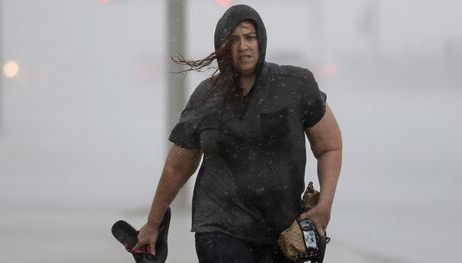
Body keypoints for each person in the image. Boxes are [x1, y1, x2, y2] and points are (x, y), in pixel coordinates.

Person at [134, 4, 342, 263]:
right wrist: (153, 223)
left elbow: (329, 147)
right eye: (233, 39)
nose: (243, 46)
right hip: (220, 227)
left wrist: (325, 207)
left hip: (283, 231)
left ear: (261, 40)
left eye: (249, 37)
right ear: (222, 47)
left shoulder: (295, 86)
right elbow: (178, 166)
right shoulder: (206, 97)